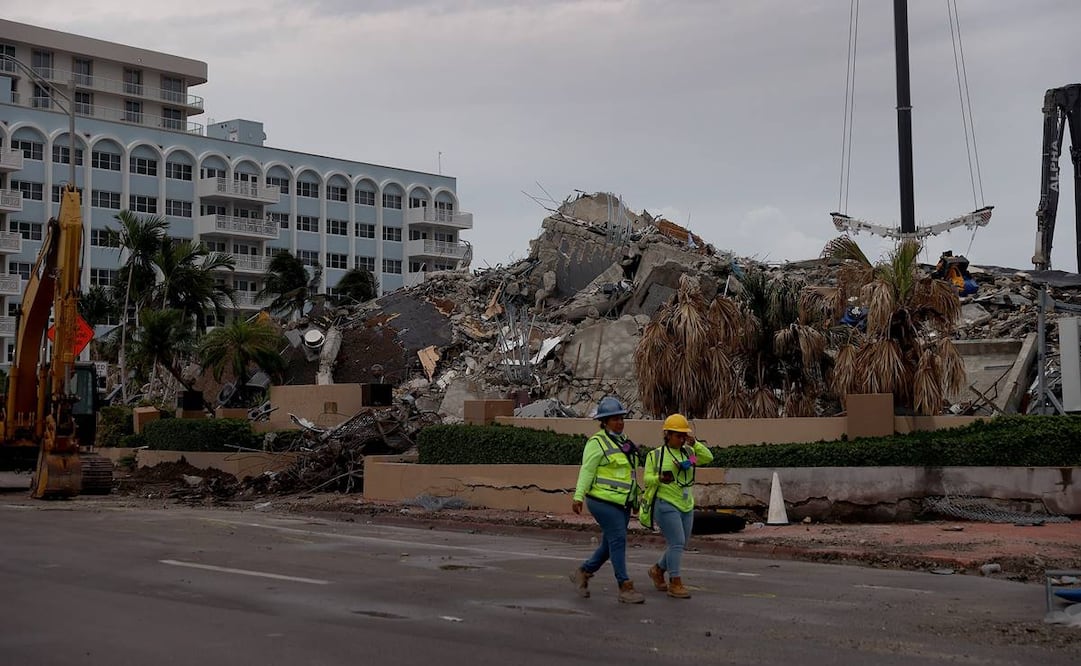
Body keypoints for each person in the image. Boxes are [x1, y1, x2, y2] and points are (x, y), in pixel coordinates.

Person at [569, 396, 645, 604]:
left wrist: (635, 501)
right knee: (618, 539)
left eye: (621, 418)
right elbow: (587, 470)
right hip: (602, 501)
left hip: (622, 502)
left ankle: (584, 572)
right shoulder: (596, 443)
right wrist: (578, 496)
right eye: (614, 419)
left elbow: (630, 474)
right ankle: (624, 586)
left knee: (610, 544)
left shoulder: (625, 441)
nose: (619, 422)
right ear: (604, 422)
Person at [642, 413, 714, 599]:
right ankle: (675, 582)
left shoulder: (689, 453)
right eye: (678, 435)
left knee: (681, 543)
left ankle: (658, 569)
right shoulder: (656, 455)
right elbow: (647, 479)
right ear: (667, 435)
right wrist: (660, 478)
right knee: (677, 542)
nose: (681, 439)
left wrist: (694, 443)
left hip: (686, 504)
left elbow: (708, 458)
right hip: (666, 503)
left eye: (684, 436)